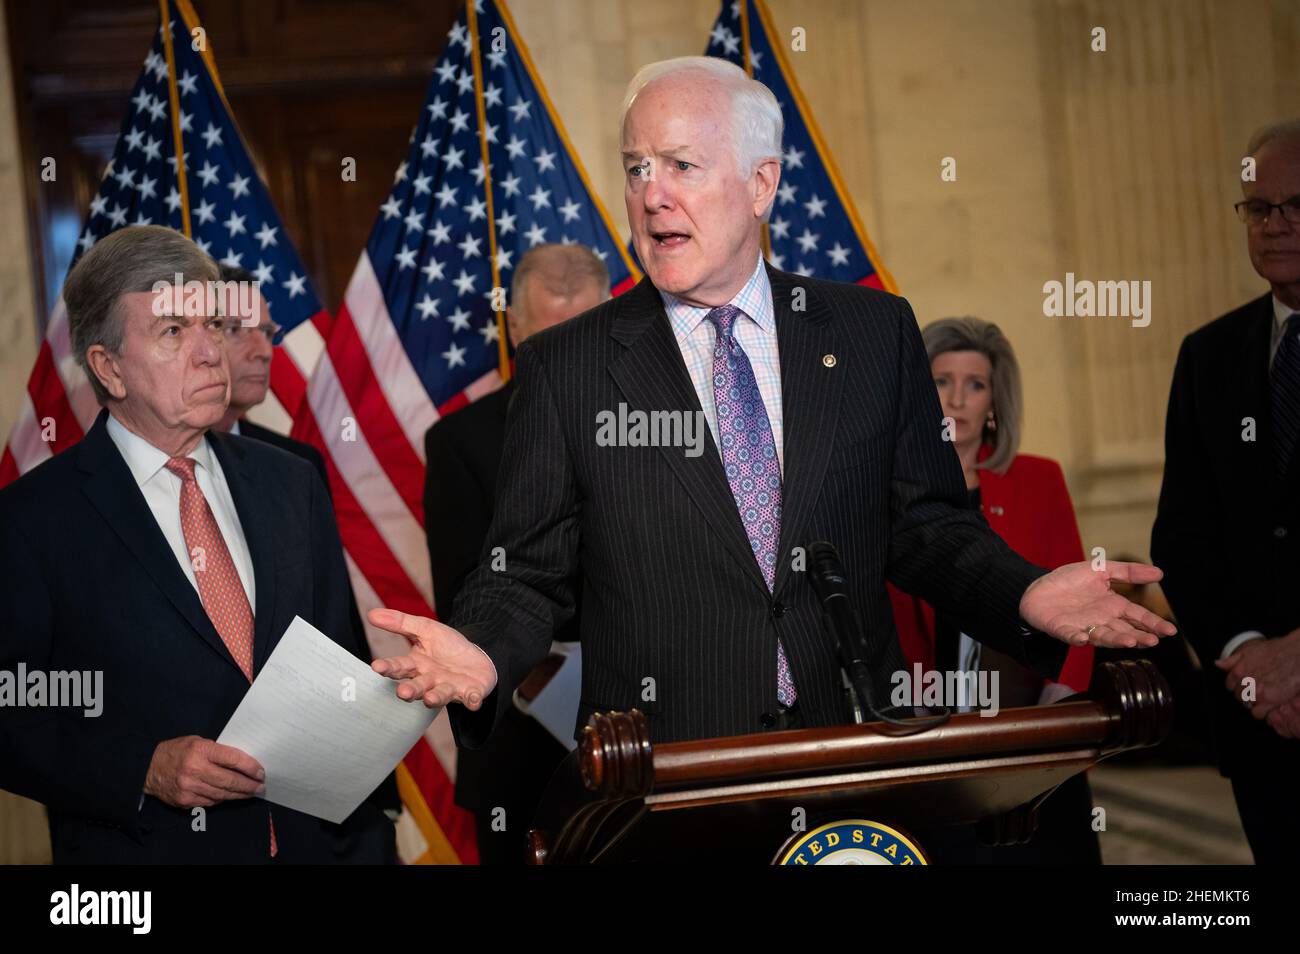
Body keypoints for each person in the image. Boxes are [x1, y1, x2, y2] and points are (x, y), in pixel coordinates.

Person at [369, 57, 1173, 758]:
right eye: (636, 167)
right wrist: (480, 651)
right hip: (670, 779)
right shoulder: (567, 368)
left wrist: (1025, 592)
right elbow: (525, 573)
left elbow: (928, 527)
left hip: (853, 750)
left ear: (762, 183)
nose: (652, 196)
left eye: (681, 164)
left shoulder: (871, 331)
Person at [0, 225, 394, 863]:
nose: (212, 352)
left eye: (212, 323)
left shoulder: (291, 481)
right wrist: (143, 768)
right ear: (109, 368)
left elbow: (333, 658)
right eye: (173, 332)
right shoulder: (31, 522)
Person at [888, 316, 1098, 863]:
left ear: (995, 402)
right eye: (941, 381)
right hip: (926, 737)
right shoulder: (885, 490)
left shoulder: (1040, 480)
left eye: (975, 384)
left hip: (1029, 732)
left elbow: (1079, 605)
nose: (957, 398)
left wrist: (1059, 714)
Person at [423, 243, 608, 863]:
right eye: (549, 336)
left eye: (584, 332)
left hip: (644, 739)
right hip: (520, 750)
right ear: (515, 326)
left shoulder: (656, 423)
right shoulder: (460, 442)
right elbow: (463, 597)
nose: (566, 354)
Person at [1152, 119, 1300, 863]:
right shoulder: (1207, 355)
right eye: (1258, 208)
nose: (1275, 226)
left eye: (1296, 206)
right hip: (1262, 726)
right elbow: (1181, 538)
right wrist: (1255, 664)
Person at [211, 264, 328, 486]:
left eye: (267, 332)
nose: (265, 352)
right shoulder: (166, 462)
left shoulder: (300, 467)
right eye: (235, 329)